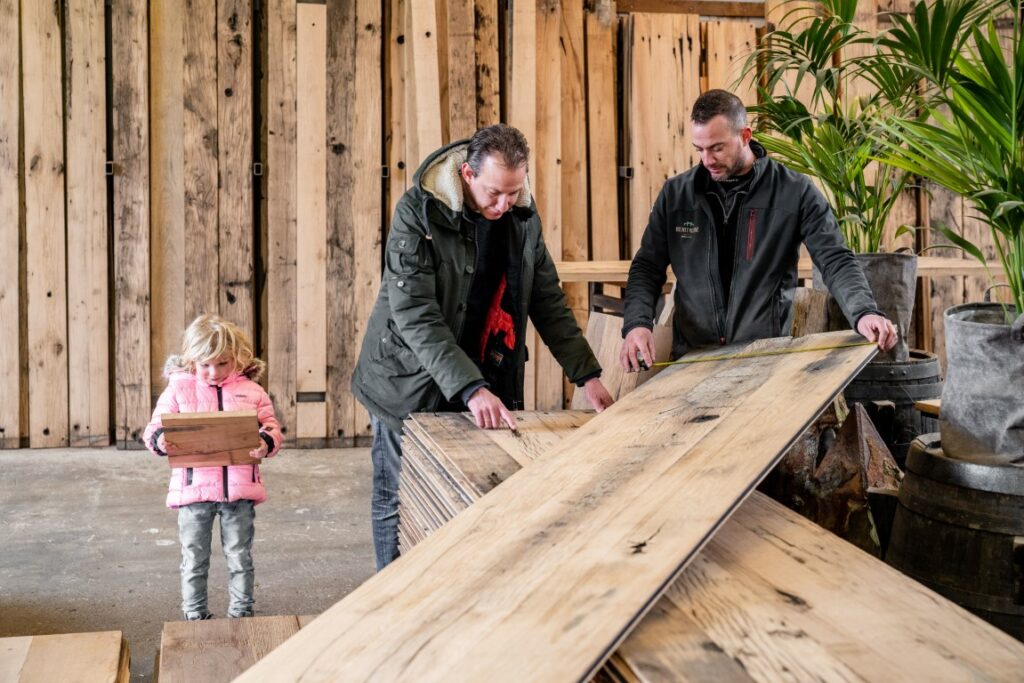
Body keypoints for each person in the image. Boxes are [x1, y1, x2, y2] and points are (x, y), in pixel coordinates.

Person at [352, 123, 615, 570]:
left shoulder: (522, 218)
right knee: (397, 496)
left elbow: (547, 299)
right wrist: (471, 388)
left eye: (514, 192)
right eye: (494, 193)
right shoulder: (420, 211)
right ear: (468, 175)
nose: (503, 205)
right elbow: (415, 312)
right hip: (406, 378)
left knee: (465, 493)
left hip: (481, 371)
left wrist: (586, 375)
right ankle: (390, 590)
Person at [620, 89, 897, 371]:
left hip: (764, 360)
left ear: (745, 136)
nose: (707, 160)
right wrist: (637, 324)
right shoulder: (676, 195)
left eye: (717, 148)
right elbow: (647, 267)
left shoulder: (794, 192)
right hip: (693, 357)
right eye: (699, 149)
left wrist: (864, 312)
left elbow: (835, 259)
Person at [143, 314, 282, 620]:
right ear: (192, 359)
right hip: (194, 492)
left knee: (240, 556)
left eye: (223, 363)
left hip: (239, 491)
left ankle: (242, 613)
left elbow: (271, 427)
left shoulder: (252, 391)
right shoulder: (179, 389)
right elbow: (153, 428)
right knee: (194, 558)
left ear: (238, 358)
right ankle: (195, 616)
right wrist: (161, 439)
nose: (213, 372)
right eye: (205, 364)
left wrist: (265, 442)